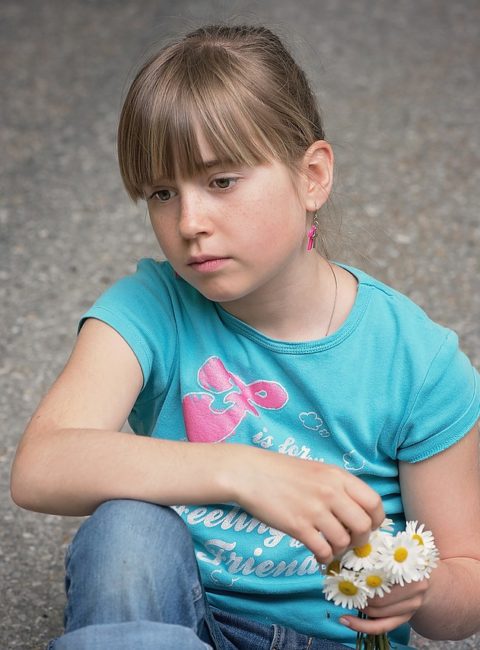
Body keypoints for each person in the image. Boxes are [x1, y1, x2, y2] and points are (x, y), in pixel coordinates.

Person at [10, 24, 480, 650]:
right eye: (160, 192)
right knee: (126, 527)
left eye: (221, 181)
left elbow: (464, 595)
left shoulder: (414, 361)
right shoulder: (152, 308)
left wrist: (420, 589)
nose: (189, 222)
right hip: (176, 618)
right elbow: (41, 465)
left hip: (330, 639)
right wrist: (244, 472)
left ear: (312, 176)